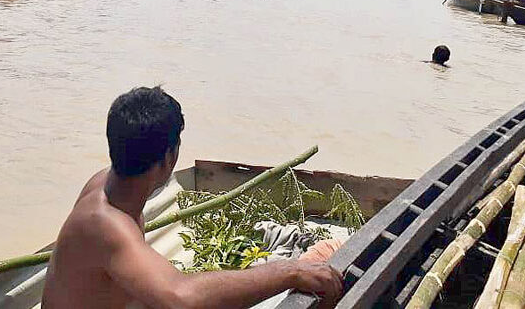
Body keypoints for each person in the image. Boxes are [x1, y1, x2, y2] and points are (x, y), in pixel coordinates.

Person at [42, 87, 343, 309]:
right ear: (168, 159)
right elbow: (180, 299)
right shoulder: (104, 223)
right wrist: (289, 271)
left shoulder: (108, 185)